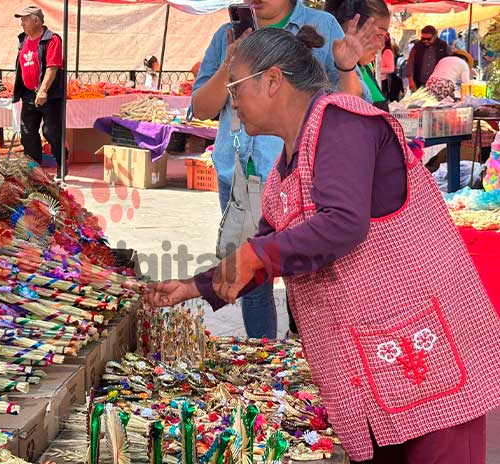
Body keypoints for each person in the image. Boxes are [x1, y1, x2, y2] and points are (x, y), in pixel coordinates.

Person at [146, 26, 500, 464]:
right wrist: (193, 287)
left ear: (273, 80)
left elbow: (342, 224)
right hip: (368, 368)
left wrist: (256, 254)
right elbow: (269, 251)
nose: (231, 102)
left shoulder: (343, 120)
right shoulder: (282, 170)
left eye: (236, 87)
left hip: (423, 351)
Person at [190, 0, 378, 339]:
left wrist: (346, 67)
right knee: (253, 276)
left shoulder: (322, 28)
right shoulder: (225, 34)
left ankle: (308, 353)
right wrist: (230, 63)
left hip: (302, 176)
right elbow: (201, 108)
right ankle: (271, 364)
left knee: (306, 275)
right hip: (238, 178)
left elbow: (351, 103)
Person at [12, 6, 66, 180]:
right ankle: (34, 169)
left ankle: (62, 161)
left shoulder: (52, 39)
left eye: (24, 19)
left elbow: (53, 66)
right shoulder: (23, 40)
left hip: (48, 95)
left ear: (36, 20)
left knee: (51, 132)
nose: (22, 23)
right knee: (27, 133)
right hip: (28, 93)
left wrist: (43, 90)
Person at [325, 0, 391, 110]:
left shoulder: (365, 67)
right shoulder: (329, 71)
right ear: (350, 27)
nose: (381, 45)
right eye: (379, 35)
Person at [406, 25, 451, 91]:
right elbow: (410, 63)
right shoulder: (417, 46)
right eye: (423, 38)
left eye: (428, 39)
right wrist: (410, 80)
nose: (425, 41)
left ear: (435, 36)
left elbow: (449, 63)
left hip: (437, 84)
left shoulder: (443, 46)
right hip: (419, 83)